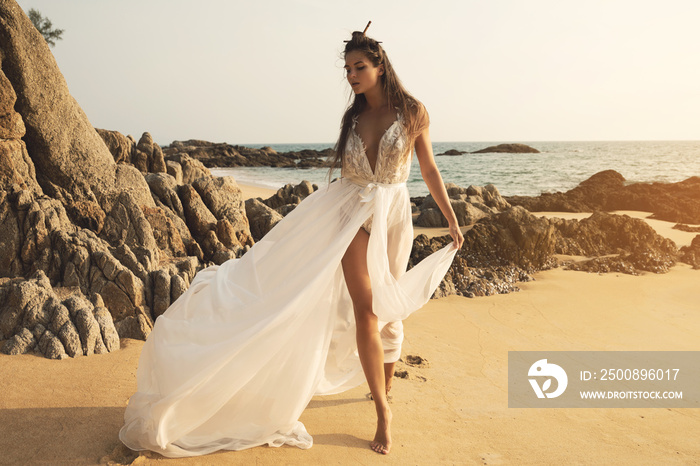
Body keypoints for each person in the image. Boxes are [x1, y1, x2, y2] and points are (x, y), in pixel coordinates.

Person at [119, 23, 464, 458]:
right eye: (347, 69)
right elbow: (349, 173)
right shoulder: (353, 119)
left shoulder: (413, 111)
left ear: (380, 66)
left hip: (393, 217)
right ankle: (382, 411)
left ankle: (385, 385)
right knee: (367, 309)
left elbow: (429, 170)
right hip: (349, 214)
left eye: (359, 67)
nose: (351, 76)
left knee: (391, 311)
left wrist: (451, 218)